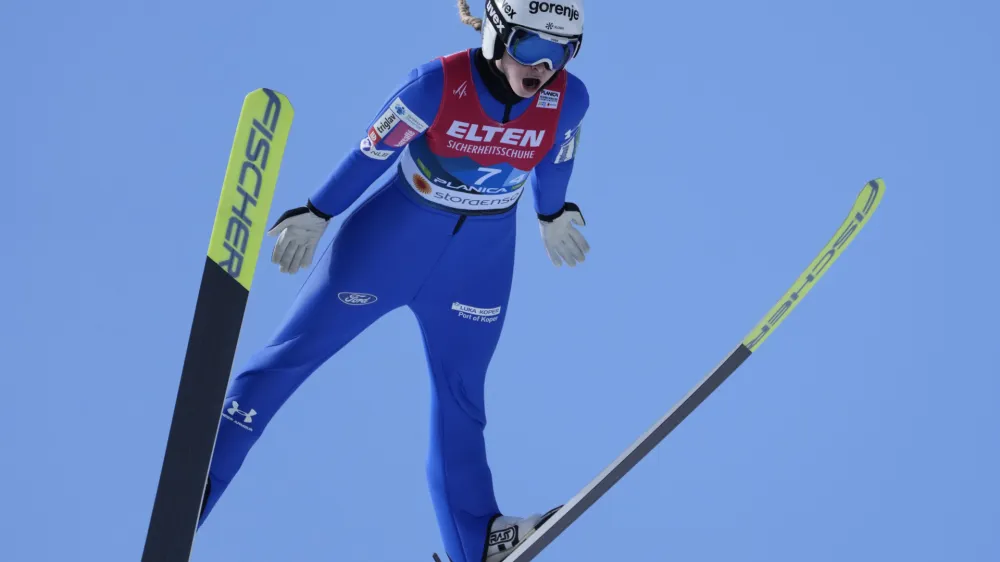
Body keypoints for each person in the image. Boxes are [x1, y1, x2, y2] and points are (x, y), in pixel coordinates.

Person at [198, 1, 589, 560]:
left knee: (462, 396)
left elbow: (555, 156)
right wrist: (318, 210)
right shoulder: (437, 84)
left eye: (562, 52)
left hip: (480, 263)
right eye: (532, 47)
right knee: (289, 358)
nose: (545, 67)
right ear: (497, 35)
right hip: (390, 244)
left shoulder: (568, 98)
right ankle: (199, 486)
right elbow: (371, 152)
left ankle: (477, 540)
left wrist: (553, 213)